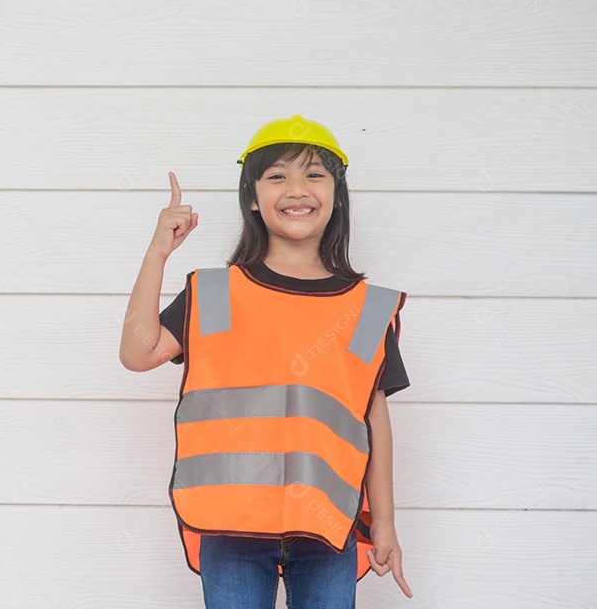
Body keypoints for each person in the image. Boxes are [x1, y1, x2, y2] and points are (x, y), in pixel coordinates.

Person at [118, 116, 414, 608]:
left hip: (327, 526)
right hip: (230, 525)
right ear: (252, 196)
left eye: (314, 174)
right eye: (277, 176)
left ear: (337, 195)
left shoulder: (367, 309)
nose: (297, 188)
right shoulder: (214, 293)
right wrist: (158, 253)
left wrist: (384, 521)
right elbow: (137, 352)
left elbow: (373, 418)